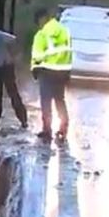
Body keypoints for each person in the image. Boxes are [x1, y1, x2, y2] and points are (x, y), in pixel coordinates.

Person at [30, 8, 73, 143]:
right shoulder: (64, 31)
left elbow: (37, 57)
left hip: (47, 71)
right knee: (60, 100)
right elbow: (69, 51)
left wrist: (34, 70)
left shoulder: (41, 34)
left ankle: (47, 130)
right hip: (63, 71)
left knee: (46, 101)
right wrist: (68, 71)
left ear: (41, 19)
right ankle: (63, 128)